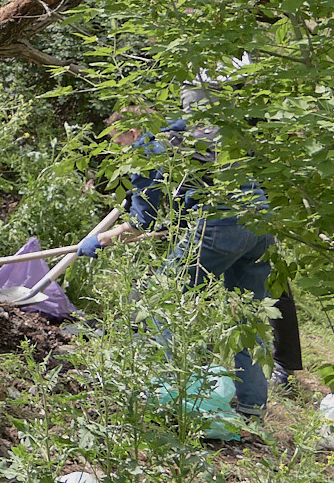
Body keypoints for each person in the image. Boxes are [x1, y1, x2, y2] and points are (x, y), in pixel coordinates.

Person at [84, 95, 275, 416]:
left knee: (162, 298)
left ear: (132, 131)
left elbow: (139, 225)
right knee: (249, 316)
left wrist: (99, 240)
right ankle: (252, 407)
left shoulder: (147, 147)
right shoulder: (189, 127)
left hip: (220, 222)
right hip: (260, 219)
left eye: (120, 142)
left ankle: (170, 393)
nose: (122, 151)